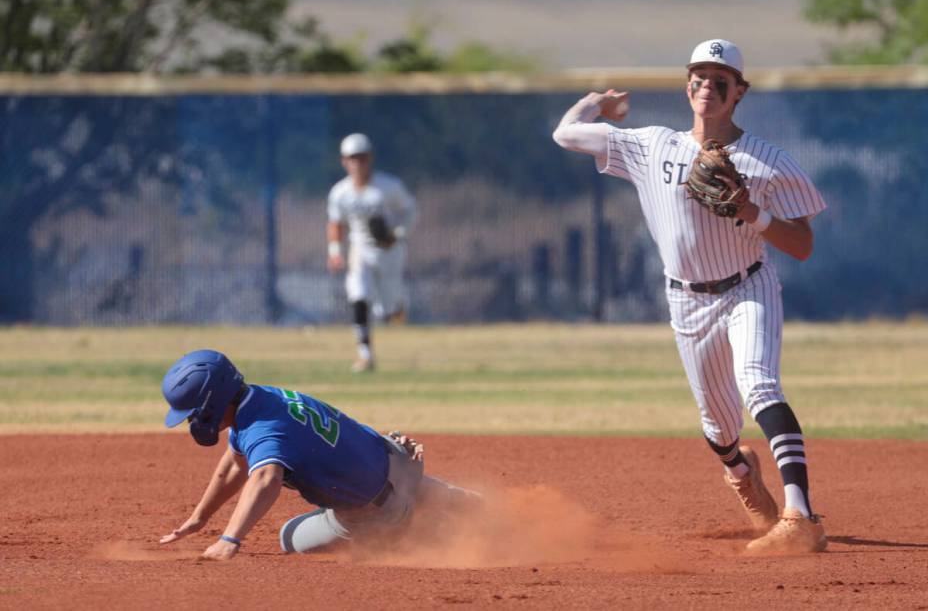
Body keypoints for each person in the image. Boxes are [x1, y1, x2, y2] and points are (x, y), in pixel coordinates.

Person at [552, 39, 828, 556]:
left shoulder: (768, 160)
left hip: (749, 285)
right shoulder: (651, 143)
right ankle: (741, 471)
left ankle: (801, 516)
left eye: (720, 78)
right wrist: (598, 102)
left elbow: (805, 245)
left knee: (759, 382)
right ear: (687, 87)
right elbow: (564, 133)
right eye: (698, 76)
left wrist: (752, 213)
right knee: (719, 425)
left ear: (739, 92)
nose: (707, 84)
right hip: (687, 301)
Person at [158, 349, 477, 560]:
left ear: (214, 402)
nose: (191, 420)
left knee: (289, 538)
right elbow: (234, 466)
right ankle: (444, 496)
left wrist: (230, 539)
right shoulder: (261, 398)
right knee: (374, 480)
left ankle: (426, 529)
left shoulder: (262, 428)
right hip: (396, 458)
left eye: (193, 412)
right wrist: (201, 517)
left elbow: (266, 478)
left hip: (377, 510)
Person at [327, 132, 417, 373]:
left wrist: (397, 233)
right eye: (352, 158)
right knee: (359, 295)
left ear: (370, 159)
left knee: (387, 311)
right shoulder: (340, 193)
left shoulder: (388, 186)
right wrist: (335, 251)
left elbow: (409, 210)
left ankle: (395, 307)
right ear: (344, 161)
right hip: (360, 248)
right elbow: (335, 223)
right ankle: (365, 354)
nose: (358, 163)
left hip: (389, 250)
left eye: (362, 157)